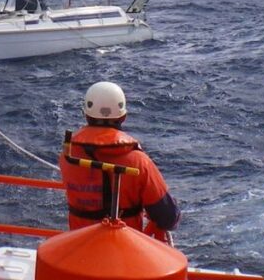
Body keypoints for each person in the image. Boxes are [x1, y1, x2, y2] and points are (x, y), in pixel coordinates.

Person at [59, 81, 180, 238]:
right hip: (124, 253)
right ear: (123, 116)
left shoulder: (67, 155)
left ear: (86, 114)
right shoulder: (138, 162)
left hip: (81, 248)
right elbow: (168, 218)